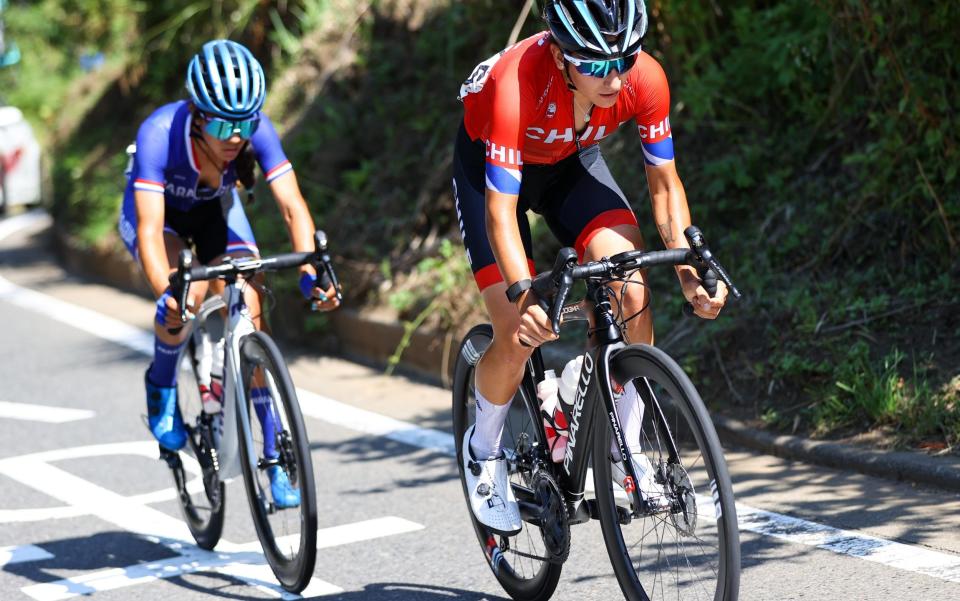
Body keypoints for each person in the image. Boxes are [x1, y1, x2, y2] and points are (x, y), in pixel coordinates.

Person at [452, 0, 728, 534]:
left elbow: (665, 186)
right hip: (491, 172)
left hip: (571, 162)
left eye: (623, 59)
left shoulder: (643, 78)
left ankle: (624, 449)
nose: (614, 76)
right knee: (517, 330)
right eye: (596, 65)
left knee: (629, 284)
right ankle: (484, 450)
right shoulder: (518, 83)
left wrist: (689, 271)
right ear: (559, 55)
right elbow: (500, 212)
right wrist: (523, 297)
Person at [117, 39, 339, 508]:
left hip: (216, 209)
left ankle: (276, 453)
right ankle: (161, 385)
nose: (235, 135)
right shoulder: (159, 133)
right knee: (187, 296)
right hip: (164, 221)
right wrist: (171, 294)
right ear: (197, 116)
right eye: (221, 123)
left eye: (243, 122)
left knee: (251, 302)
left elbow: (292, 207)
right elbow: (153, 230)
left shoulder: (255, 128)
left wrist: (309, 275)